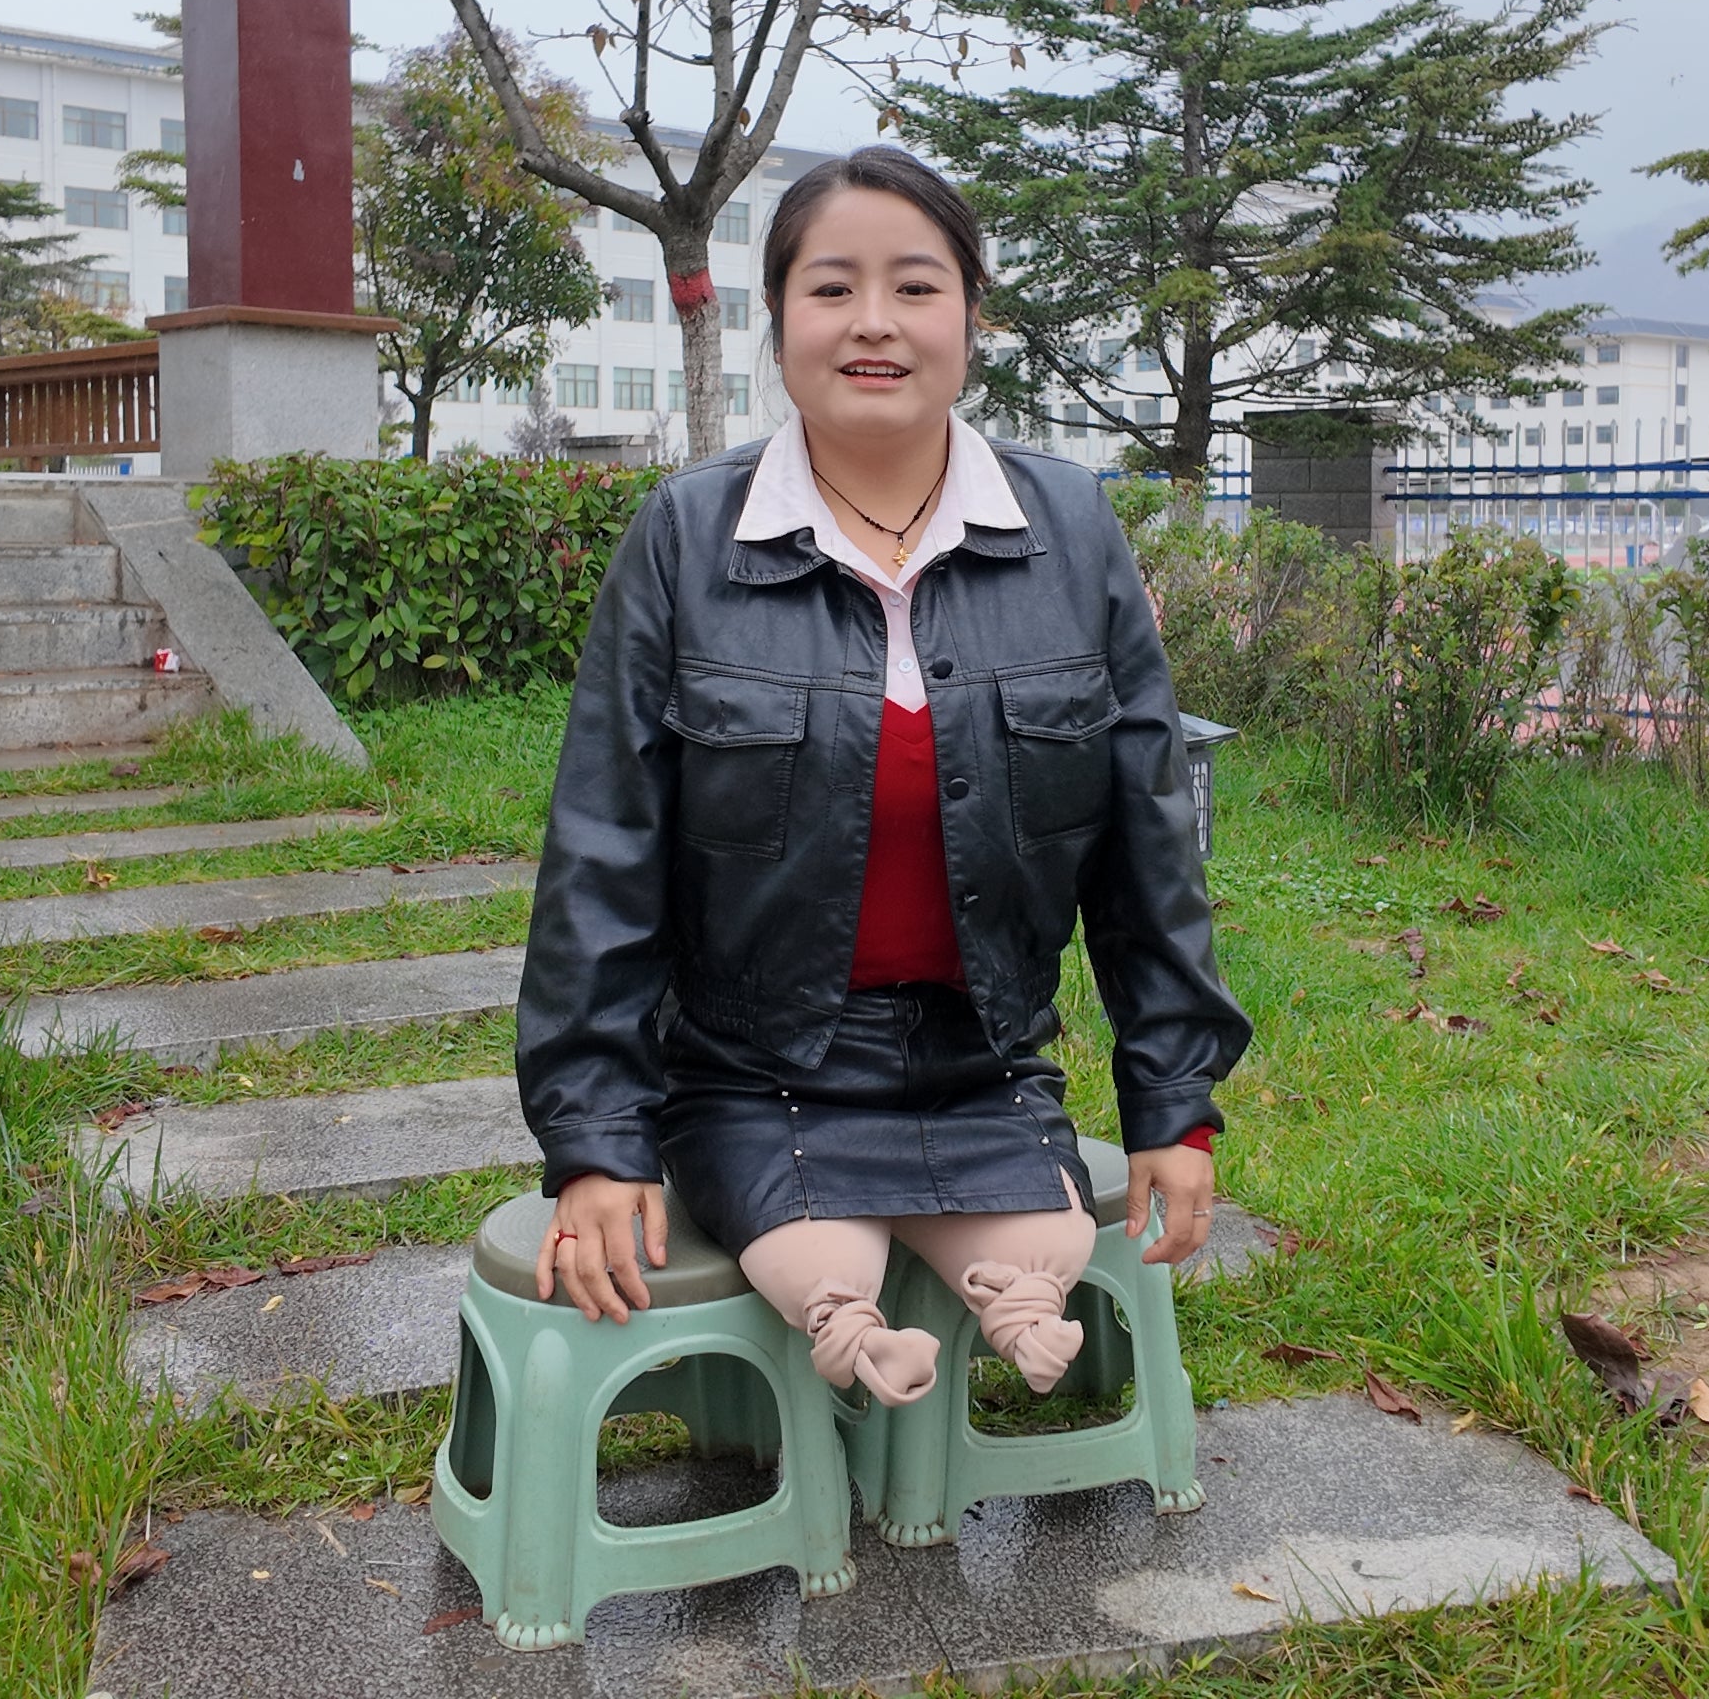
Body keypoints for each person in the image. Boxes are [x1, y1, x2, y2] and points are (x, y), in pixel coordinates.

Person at [512, 146, 1250, 1407]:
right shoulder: (689, 540)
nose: (874, 325)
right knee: (821, 1258)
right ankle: (842, 1342)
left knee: (1040, 1246)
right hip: (750, 1071)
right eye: (831, 288)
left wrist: (1171, 1101)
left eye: (916, 287)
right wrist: (594, 1144)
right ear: (779, 319)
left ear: (972, 314)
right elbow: (604, 854)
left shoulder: (1070, 530)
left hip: (986, 1065)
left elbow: (1145, 845)